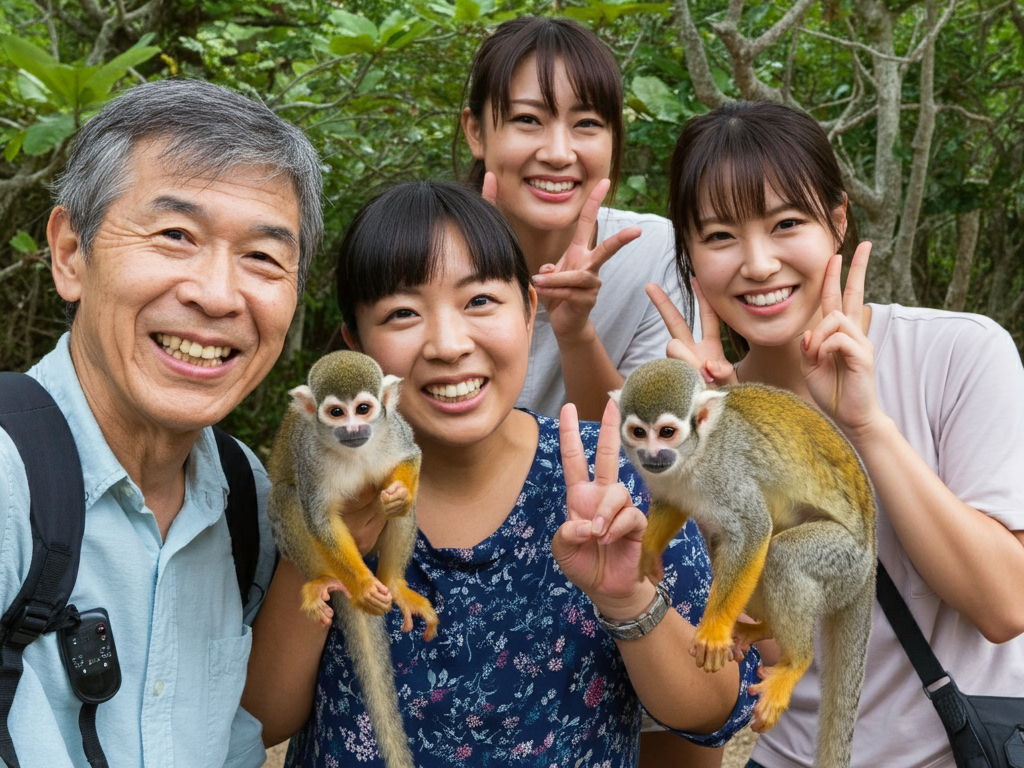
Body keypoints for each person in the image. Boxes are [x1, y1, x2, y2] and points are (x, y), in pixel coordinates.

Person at [241, 180, 758, 767]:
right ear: (358, 348)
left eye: (479, 301)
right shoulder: (330, 481)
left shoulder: (616, 475)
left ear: (530, 309)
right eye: (403, 313)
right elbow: (262, 719)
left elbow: (710, 710)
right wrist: (334, 550)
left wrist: (626, 597)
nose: (448, 343)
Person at [655, 100, 1024, 768]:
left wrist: (866, 423)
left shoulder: (960, 354)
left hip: (968, 751)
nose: (759, 263)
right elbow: (764, 647)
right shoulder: (694, 419)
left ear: (838, 221)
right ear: (689, 254)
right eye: (719, 237)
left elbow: (1005, 605)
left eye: (786, 223)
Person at [0, 78, 323, 767]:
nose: (215, 294)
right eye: (175, 234)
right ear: (70, 254)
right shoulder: (7, 479)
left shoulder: (246, 502)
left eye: (263, 256)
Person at [456, 16, 698, 422]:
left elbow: (656, 454)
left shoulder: (652, 255)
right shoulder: (420, 253)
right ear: (476, 132)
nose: (558, 153)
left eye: (586, 124)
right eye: (528, 120)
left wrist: (577, 334)